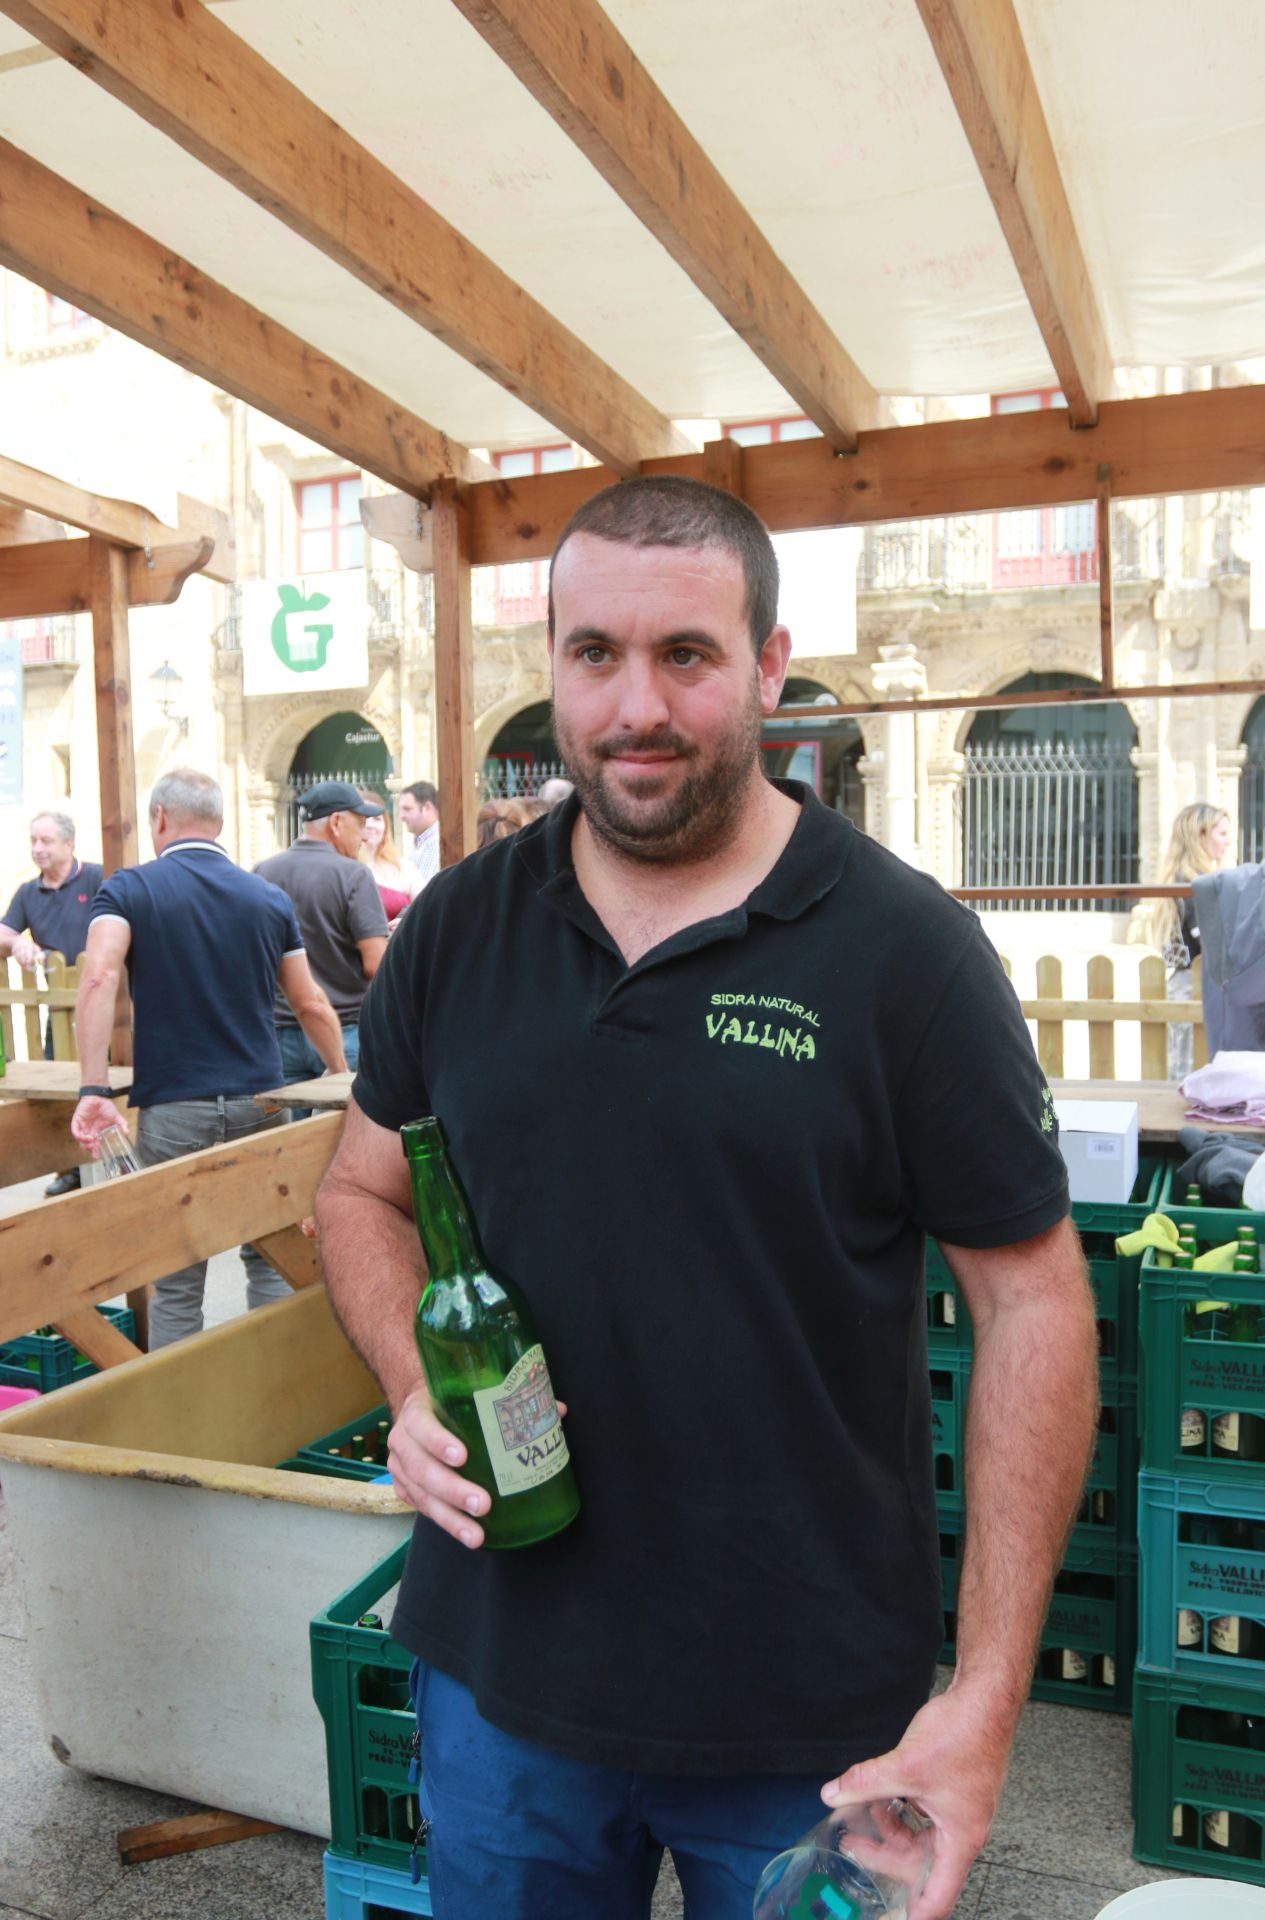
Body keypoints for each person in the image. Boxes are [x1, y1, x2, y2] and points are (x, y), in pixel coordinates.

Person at [315, 476, 1097, 1920]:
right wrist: (413, 1382)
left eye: (685, 654)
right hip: (503, 1681)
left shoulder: (907, 953)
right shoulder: (461, 927)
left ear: (767, 665)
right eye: (594, 654)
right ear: (554, 664)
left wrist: (987, 1696)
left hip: (812, 1718)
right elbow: (360, 1192)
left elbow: (1032, 1301)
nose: (636, 708)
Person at [69, 769, 346, 1348]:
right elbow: (310, 1003)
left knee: (176, 1278)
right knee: (268, 1259)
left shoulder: (128, 889)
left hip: (173, 1105)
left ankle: (180, 1402)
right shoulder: (266, 897)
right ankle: (273, 1384)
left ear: (159, 819)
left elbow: (98, 978)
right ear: (219, 822)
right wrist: (338, 1071)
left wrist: (93, 1089)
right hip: (259, 1102)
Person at [255, 780, 389, 1091]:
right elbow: (376, 965)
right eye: (360, 823)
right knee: (345, 1122)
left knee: (289, 1123)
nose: (364, 835)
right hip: (343, 1031)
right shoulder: (353, 874)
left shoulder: (262, 872)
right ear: (336, 822)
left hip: (279, 1033)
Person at [1, 809, 105, 1195]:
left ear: (69, 843)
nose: (37, 848)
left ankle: (112, 1161)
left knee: (107, 1081)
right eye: (33, 840)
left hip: (108, 1005)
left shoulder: (98, 878)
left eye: (46, 840)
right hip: (58, 1010)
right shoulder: (29, 892)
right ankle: (70, 1167)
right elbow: (3, 931)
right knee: (58, 1086)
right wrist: (17, 941)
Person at [1145, 803, 1232, 1080]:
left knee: (1182, 1065)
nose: (1228, 842)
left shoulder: (1176, 879)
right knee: (1192, 1068)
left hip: (1181, 981)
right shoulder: (1196, 883)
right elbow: (1211, 941)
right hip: (1196, 985)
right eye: (1222, 834)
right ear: (1200, 834)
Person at [358, 788, 424, 926]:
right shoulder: (341, 868)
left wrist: (407, 922)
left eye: (377, 819)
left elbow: (427, 908)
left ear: (386, 825)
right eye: (363, 818)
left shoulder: (405, 867)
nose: (370, 825)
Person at [399, 781, 440, 882]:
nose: (401, 816)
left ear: (427, 808)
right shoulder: (419, 844)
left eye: (407, 809)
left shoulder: (438, 844)